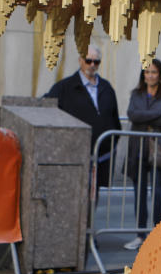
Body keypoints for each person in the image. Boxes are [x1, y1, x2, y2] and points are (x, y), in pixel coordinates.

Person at [45, 46, 120, 193]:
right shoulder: (65, 87)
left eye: (96, 62)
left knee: (93, 200)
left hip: (101, 158)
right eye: (88, 61)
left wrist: (112, 142)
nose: (92, 65)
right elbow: (45, 107)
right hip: (74, 156)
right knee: (76, 197)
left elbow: (114, 118)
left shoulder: (106, 87)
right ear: (80, 61)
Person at [124, 59, 161, 250]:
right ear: (143, 75)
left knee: (157, 194)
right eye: (147, 72)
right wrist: (157, 113)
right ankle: (140, 235)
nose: (150, 76)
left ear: (160, 75)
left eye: (154, 72)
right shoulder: (136, 94)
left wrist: (146, 115)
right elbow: (132, 115)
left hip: (159, 150)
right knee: (139, 194)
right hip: (138, 150)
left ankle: (158, 234)